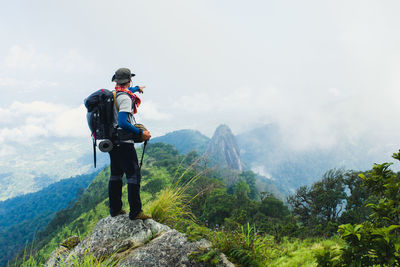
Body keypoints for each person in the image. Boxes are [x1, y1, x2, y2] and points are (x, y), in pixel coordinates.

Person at [108, 67, 152, 220]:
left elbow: (126, 91)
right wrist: (141, 133)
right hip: (124, 143)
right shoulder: (125, 98)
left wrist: (136, 89)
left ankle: (115, 209)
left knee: (116, 175)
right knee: (133, 175)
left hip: (112, 142)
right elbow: (122, 122)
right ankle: (136, 212)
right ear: (128, 80)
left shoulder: (113, 94)